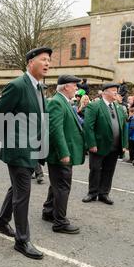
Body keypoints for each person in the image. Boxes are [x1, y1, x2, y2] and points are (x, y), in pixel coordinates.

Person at [0, 47, 51, 260]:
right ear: (30, 62)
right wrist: (8, 140)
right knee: (22, 193)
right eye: (43, 59)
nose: (47, 63)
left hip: (32, 149)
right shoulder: (18, 85)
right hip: (18, 150)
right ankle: (22, 240)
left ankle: (1, 221)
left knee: (16, 188)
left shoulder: (39, 87)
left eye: (49, 61)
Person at [42, 75, 85, 234]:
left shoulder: (63, 102)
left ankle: (48, 211)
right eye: (74, 85)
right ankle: (60, 221)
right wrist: (64, 153)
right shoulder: (57, 103)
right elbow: (55, 130)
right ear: (66, 87)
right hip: (60, 154)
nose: (76, 88)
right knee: (62, 186)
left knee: (56, 185)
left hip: (62, 152)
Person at [82, 83, 128, 205]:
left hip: (114, 146)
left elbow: (124, 126)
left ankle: (104, 193)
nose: (116, 93)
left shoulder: (119, 107)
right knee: (95, 169)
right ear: (105, 92)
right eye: (113, 90)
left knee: (109, 170)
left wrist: (124, 144)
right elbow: (88, 127)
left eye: (116, 91)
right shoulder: (94, 106)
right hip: (98, 145)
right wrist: (91, 144)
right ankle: (92, 193)